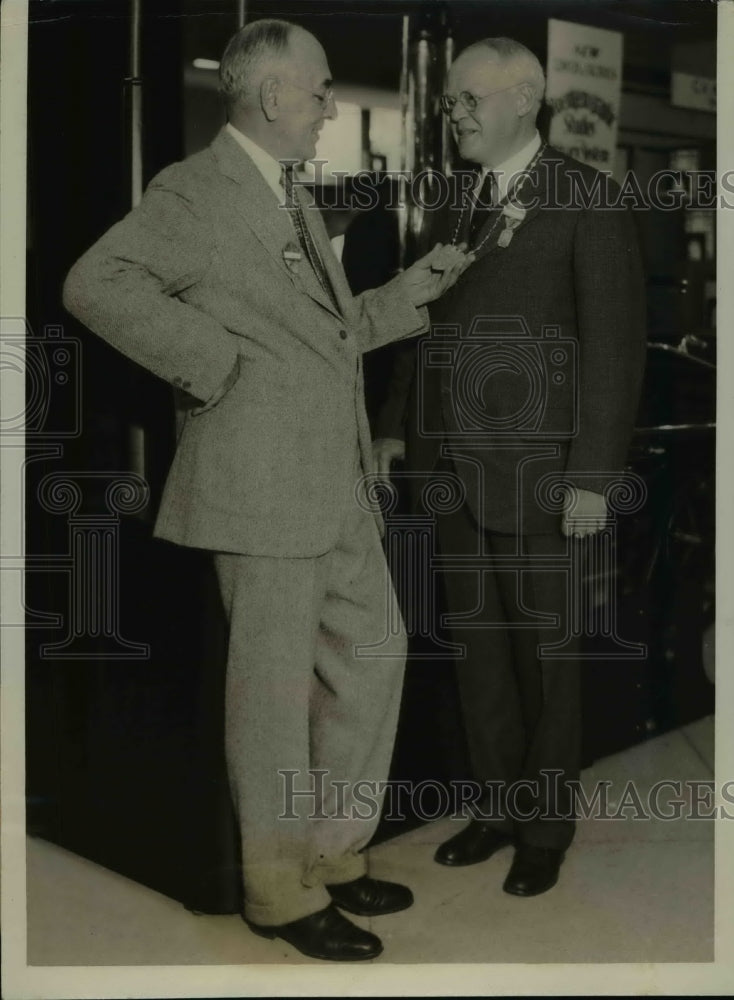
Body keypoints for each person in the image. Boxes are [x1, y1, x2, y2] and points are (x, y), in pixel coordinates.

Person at [63, 19, 471, 962]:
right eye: (323, 90)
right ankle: (276, 889)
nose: (332, 106)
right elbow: (94, 282)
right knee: (273, 697)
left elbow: (325, 336)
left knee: (371, 653)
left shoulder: (286, 193)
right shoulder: (197, 190)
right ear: (276, 95)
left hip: (333, 482)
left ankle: (331, 852)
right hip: (258, 483)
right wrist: (211, 364)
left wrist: (410, 290)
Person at [374, 37, 646, 897]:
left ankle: (545, 825)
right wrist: (392, 428)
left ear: (524, 98)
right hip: (449, 466)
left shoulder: (585, 198)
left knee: (545, 658)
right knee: (477, 649)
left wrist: (594, 481)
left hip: (542, 475)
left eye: (468, 99)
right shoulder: (456, 200)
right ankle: (495, 806)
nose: (455, 113)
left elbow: (614, 349)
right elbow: (428, 327)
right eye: (452, 101)